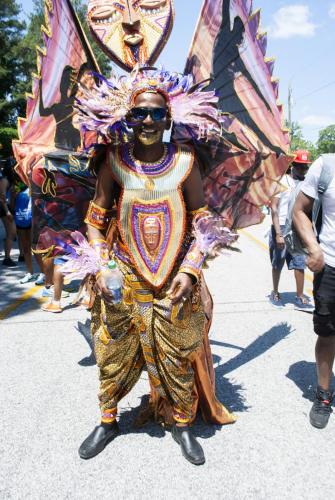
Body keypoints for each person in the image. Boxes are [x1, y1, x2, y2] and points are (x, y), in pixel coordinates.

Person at [73, 68, 237, 465]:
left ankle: (182, 424)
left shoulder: (185, 161)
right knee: (111, 353)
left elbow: (202, 219)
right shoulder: (112, 160)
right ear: (125, 119)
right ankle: (108, 421)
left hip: (174, 278)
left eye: (156, 114)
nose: (147, 121)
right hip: (123, 275)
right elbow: (95, 221)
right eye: (138, 114)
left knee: (178, 354)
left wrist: (191, 268)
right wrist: (102, 265)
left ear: (169, 118)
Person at [293, 153, 335, 429]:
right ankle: (323, 394)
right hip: (331, 265)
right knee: (328, 332)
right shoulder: (327, 166)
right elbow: (299, 210)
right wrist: (314, 247)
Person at [269, 150, 312, 308]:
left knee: (300, 262)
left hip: (298, 228)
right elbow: (274, 208)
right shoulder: (282, 182)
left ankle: (299, 296)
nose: (302, 170)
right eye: (300, 166)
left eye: (305, 167)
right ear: (293, 165)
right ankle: (275, 291)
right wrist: (279, 234)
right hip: (281, 227)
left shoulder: (306, 184)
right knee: (278, 262)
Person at [0, 157, 17, 267]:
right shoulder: (4, 180)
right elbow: (2, 196)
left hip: (5, 207)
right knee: (11, 233)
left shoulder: (9, 179)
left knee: (12, 233)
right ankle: (7, 258)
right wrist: (7, 212)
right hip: (3, 208)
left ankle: (7, 256)